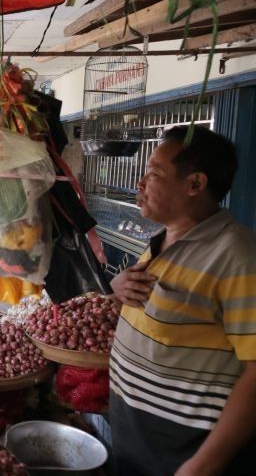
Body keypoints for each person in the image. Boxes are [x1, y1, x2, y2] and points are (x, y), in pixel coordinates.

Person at [108, 126, 256, 475]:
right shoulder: (159, 243)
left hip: (186, 458)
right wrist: (116, 289)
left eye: (154, 174)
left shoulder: (238, 256)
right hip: (135, 446)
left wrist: (202, 466)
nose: (140, 184)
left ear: (195, 184)